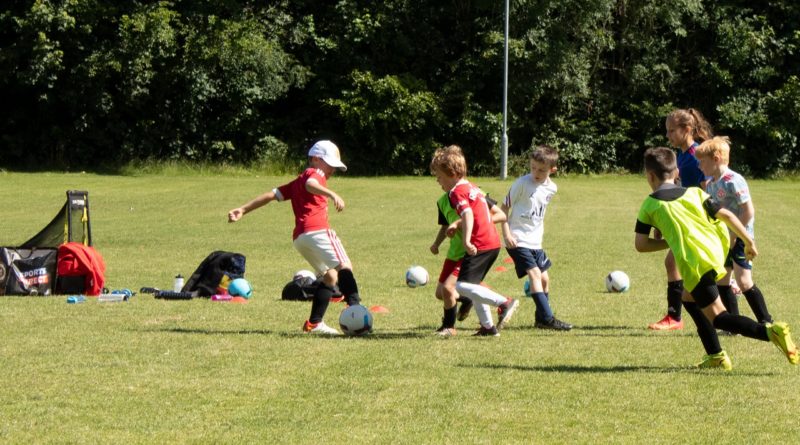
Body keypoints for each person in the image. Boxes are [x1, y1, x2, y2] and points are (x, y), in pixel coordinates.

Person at [634, 146, 797, 369]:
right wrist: (749, 241)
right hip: (715, 254)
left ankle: (770, 331)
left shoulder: (650, 205)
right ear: (677, 173)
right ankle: (716, 355)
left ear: (649, 176)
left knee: (719, 316)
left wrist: (670, 240)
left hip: (695, 264)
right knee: (688, 297)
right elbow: (728, 214)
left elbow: (641, 245)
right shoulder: (696, 193)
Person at [227, 140, 361, 335]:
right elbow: (311, 184)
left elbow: (271, 195)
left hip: (301, 239)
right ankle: (356, 309)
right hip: (317, 231)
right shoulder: (314, 174)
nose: (332, 169)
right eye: (329, 163)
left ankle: (314, 324)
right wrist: (332, 194)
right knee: (345, 266)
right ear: (315, 159)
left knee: (330, 277)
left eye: (334, 166)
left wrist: (243, 209)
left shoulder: (296, 183)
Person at [429, 145, 519, 336]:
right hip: (481, 244)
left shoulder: (460, 192)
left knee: (458, 286)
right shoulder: (465, 190)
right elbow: (454, 222)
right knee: (455, 289)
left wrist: (466, 238)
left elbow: (470, 214)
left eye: (439, 177)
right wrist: (439, 242)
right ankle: (488, 327)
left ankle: (503, 303)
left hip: (478, 244)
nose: (438, 182)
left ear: (452, 173)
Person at [648, 108, 714, 331]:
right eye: (667, 131)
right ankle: (679, 317)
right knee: (675, 264)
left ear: (687, 129)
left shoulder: (697, 154)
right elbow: (676, 188)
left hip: (697, 221)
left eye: (672, 131)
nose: (668, 136)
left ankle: (677, 318)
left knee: (684, 267)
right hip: (685, 219)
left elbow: (708, 188)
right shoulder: (682, 156)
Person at [696, 136, 773, 324]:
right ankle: (733, 324)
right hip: (723, 239)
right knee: (723, 280)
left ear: (716, 159)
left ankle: (766, 322)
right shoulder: (712, 184)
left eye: (702, 162)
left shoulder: (734, 180)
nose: (699, 166)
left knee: (744, 281)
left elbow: (748, 211)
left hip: (739, 239)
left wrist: (737, 236)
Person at [500, 145, 572, 330]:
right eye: (533, 168)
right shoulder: (521, 184)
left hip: (535, 241)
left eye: (541, 170)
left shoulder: (552, 188)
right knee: (534, 274)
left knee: (545, 279)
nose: (536, 173)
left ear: (552, 170)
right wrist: (507, 234)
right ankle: (549, 319)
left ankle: (540, 320)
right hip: (517, 239)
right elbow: (504, 209)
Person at [430, 192, 505, 336]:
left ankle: (449, 327)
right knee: (440, 293)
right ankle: (470, 297)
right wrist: (436, 244)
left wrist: (477, 223)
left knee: (448, 289)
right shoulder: (442, 202)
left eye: (440, 177)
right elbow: (445, 225)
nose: (438, 181)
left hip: (470, 251)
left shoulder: (475, 195)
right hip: (454, 252)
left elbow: (501, 215)